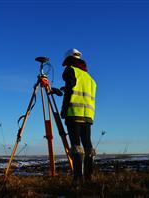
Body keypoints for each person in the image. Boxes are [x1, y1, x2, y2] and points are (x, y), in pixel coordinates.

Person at [59, 48, 97, 183]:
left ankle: (77, 178)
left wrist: (63, 110)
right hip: (87, 116)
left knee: (76, 146)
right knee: (88, 147)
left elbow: (71, 92)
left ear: (69, 60)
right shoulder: (89, 78)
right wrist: (67, 88)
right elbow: (78, 90)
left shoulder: (71, 70)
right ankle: (89, 177)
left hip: (74, 113)